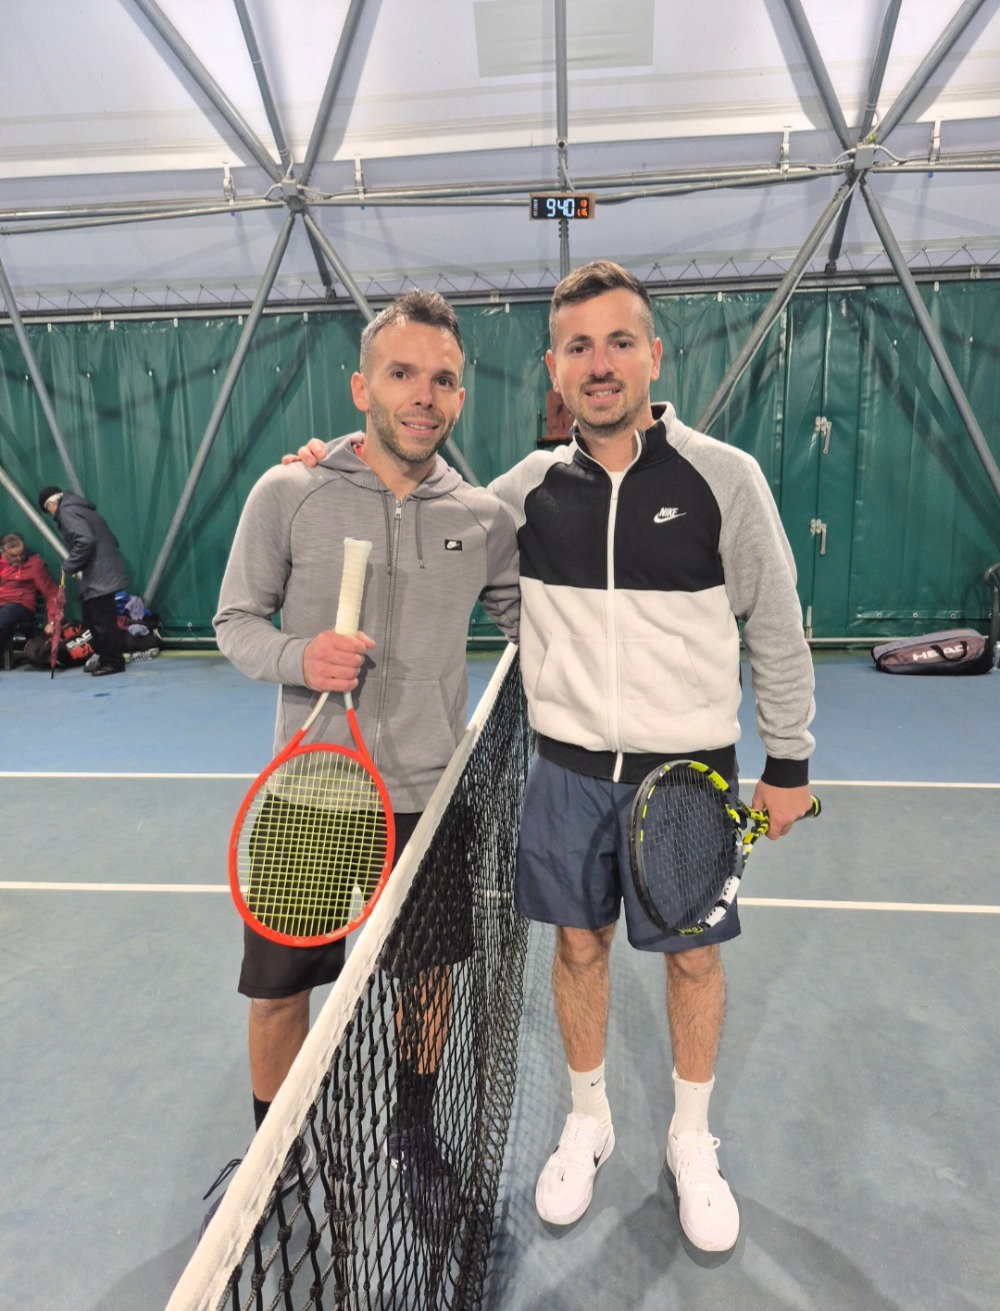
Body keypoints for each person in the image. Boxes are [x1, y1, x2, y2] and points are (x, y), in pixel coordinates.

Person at [295, 262, 815, 1254]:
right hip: (567, 775)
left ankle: (691, 1139)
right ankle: (588, 1119)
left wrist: (787, 763)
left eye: (619, 342)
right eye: (578, 347)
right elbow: (422, 501)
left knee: (693, 957)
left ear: (653, 356)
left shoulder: (724, 478)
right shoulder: (522, 494)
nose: (599, 363)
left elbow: (778, 628)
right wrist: (340, 463)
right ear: (554, 369)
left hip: (688, 780)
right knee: (577, 949)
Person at [209, 290, 520, 1233]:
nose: (423, 395)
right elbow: (234, 622)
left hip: (430, 799)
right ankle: (274, 1154)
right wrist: (299, 656)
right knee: (279, 991)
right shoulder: (289, 493)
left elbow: (534, 627)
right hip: (315, 796)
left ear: (460, 397)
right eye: (402, 373)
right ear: (361, 387)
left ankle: (413, 1133)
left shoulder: (482, 517)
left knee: (425, 983)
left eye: (443, 380)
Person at [37, 486, 128, 675]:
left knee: (101, 620)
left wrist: (70, 565)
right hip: (103, 570)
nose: (51, 515)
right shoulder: (80, 508)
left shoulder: (67, 512)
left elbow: (85, 541)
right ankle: (105, 657)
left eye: (48, 510)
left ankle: (113, 662)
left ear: (50, 504)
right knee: (92, 617)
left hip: (100, 575)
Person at [0, 532, 60, 660]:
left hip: (21, 606)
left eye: (21, 553)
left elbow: (52, 594)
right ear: (3, 553)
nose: (19, 558)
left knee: (4, 616)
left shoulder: (35, 565)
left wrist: (52, 622)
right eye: (13, 556)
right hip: (2, 605)